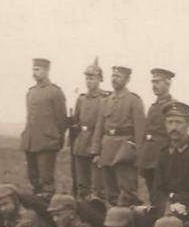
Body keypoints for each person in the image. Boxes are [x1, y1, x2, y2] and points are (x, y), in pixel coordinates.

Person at [90, 66, 145, 206]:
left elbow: (140, 130)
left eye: (118, 76)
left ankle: (128, 220)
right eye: (113, 76)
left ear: (127, 79)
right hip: (107, 148)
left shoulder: (134, 100)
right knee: (110, 191)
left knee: (127, 191)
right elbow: (99, 127)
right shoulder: (106, 101)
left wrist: (139, 155)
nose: (114, 79)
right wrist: (96, 151)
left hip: (125, 150)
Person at [19, 58, 68, 198]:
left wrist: (57, 139)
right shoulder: (31, 92)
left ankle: (48, 205)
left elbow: (61, 119)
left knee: (46, 180)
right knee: (33, 177)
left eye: (38, 69)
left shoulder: (55, 92)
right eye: (33, 69)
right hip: (30, 141)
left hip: (47, 142)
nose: (34, 73)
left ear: (46, 71)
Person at [71, 58, 110, 200]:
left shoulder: (105, 99)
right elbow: (76, 121)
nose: (89, 81)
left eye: (92, 78)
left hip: (97, 145)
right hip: (81, 144)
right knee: (82, 184)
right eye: (87, 78)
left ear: (100, 79)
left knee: (98, 186)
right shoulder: (81, 99)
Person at [139, 68, 175, 202]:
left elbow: (173, 134)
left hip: (162, 156)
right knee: (153, 195)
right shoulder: (154, 106)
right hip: (150, 157)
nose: (154, 85)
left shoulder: (172, 105)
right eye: (152, 82)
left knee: (162, 194)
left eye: (158, 82)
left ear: (168, 84)